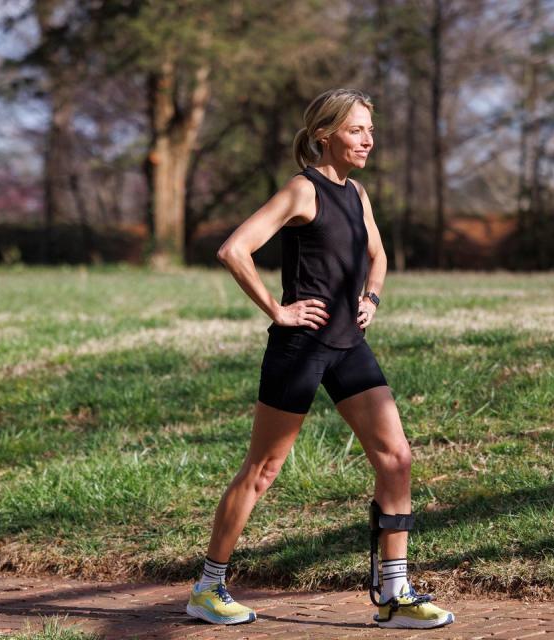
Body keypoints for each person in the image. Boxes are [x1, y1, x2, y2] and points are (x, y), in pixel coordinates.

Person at [185, 88, 455, 630]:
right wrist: (278, 310)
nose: (368, 139)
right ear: (324, 134)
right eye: (357, 130)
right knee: (263, 471)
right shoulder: (301, 190)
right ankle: (208, 587)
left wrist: (371, 299)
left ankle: (394, 591)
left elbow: (376, 254)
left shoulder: (356, 193)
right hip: (301, 348)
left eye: (370, 130)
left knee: (396, 458)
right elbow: (234, 249)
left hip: (348, 346)